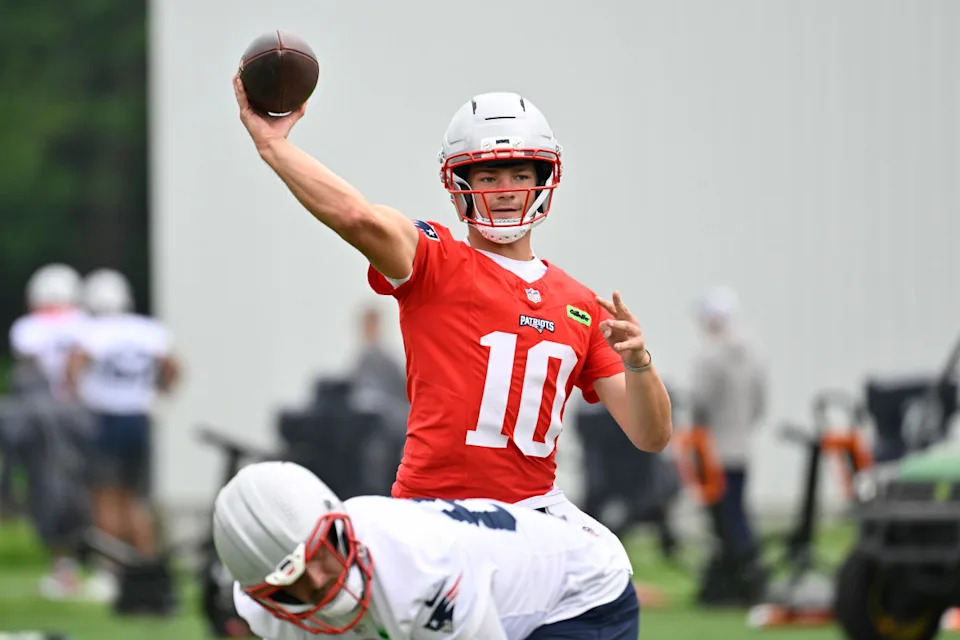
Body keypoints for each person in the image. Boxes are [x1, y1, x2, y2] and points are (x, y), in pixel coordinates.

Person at [231, 79, 672, 576]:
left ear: (545, 176)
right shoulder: (436, 259)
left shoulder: (580, 304)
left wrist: (640, 364)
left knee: (610, 575)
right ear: (460, 184)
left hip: (534, 516)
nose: (505, 191)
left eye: (519, 173)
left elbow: (651, 435)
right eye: (487, 178)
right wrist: (274, 146)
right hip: (434, 513)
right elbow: (357, 217)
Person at [214, 460, 639, 640]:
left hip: (578, 593)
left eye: (319, 554)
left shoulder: (420, 566)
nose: (319, 581)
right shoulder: (262, 611)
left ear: (336, 526)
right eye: (293, 585)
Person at [66, 269, 181, 563]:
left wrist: (77, 395)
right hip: (139, 420)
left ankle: (111, 568)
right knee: (136, 499)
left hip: (105, 419)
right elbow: (173, 366)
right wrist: (158, 395)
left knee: (105, 498)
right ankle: (145, 566)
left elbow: (74, 366)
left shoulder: (90, 330)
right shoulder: (147, 329)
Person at [689, 286, 767, 564]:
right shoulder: (753, 355)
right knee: (738, 510)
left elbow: (700, 402)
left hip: (714, 450)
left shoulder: (708, 356)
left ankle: (739, 572)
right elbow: (760, 404)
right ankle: (747, 565)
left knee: (724, 518)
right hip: (742, 449)